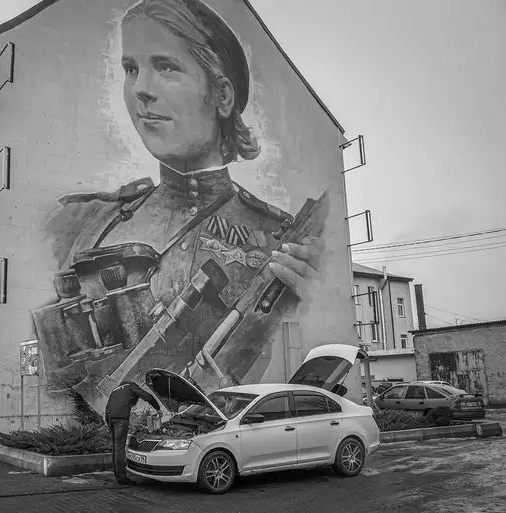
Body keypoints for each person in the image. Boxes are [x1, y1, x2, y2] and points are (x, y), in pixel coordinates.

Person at [34, 0, 325, 407]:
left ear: (222, 95)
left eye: (166, 67)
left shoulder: (281, 238)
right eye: (130, 69)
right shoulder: (82, 220)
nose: (141, 88)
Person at [104, 381, 160, 485]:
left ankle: (117, 474)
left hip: (109, 416)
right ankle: (121, 477)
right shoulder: (132, 387)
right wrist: (158, 408)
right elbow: (147, 397)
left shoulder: (116, 389)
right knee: (120, 447)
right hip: (120, 416)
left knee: (115, 446)